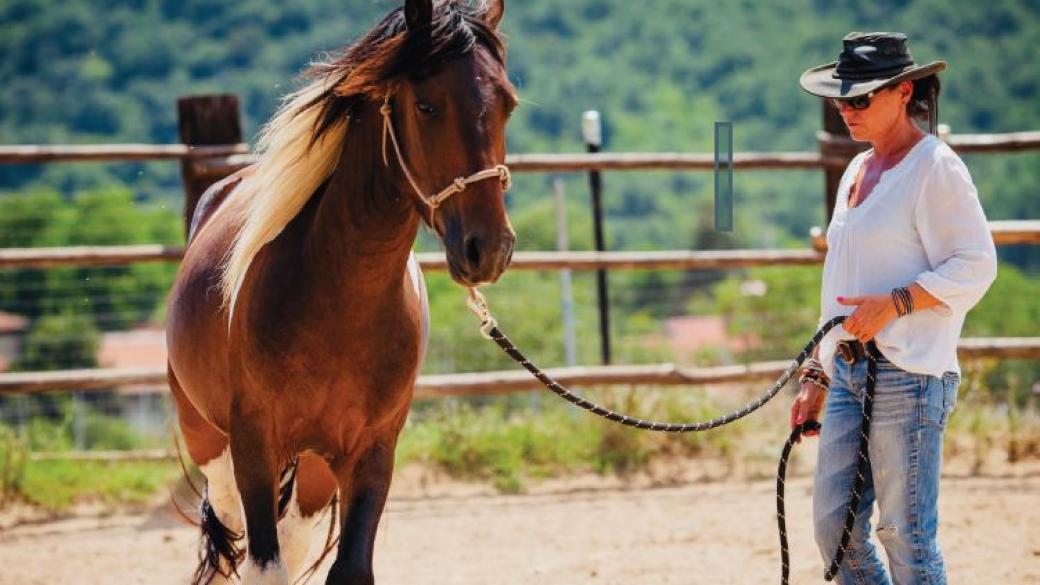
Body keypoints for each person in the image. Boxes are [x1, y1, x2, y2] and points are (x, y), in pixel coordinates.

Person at [791, 32, 998, 584]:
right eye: (841, 99)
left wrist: (897, 303)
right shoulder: (857, 172)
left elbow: (976, 264)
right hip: (849, 371)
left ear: (904, 92)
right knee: (834, 528)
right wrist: (818, 367)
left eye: (859, 99)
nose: (845, 109)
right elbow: (840, 282)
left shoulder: (936, 167)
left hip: (910, 374)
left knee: (906, 536)